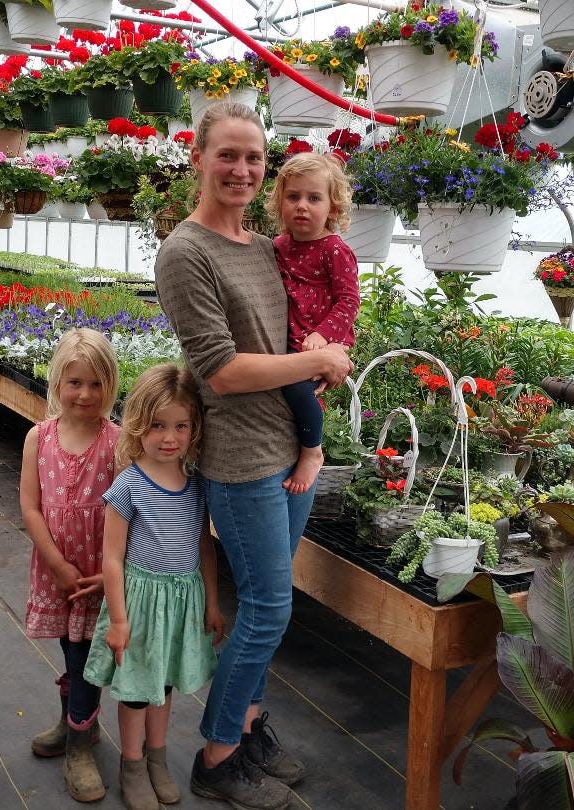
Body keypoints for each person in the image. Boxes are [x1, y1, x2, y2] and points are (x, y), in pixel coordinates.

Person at [153, 101, 354, 810]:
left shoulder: (268, 247)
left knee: (270, 602)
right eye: (228, 155)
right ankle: (216, 755)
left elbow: (311, 317)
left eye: (253, 157)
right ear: (199, 159)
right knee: (267, 607)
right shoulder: (186, 252)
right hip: (239, 457)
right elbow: (223, 372)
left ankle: (246, 722)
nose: (241, 169)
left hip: (288, 450)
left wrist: (326, 358)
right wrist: (315, 364)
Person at [75, 364, 224, 810]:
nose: (169, 437)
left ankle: (157, 759)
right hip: (140, 603)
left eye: (181, 426)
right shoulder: (129, 486)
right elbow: (112, 559)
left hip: (182, 600)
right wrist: (118, 620)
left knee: (165, 684)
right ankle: (133, 764)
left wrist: (212, 602)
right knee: (139, 689)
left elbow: (204, 547)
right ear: (139, 424)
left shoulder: (196, 486)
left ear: (194, 429)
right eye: (158, 425)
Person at [19, 328, 120, 803]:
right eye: (75, 382)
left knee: (89, 657)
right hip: (59, 570)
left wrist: (109, 571)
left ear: (112, 386)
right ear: (58, 382)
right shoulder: (38, 438)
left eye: (97, 384)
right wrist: (57, 565)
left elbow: (127, 513)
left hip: (101, 572)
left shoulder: (118, 442)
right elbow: (31, 507)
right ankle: (74, 722)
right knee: (70, 648)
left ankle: (80, 742)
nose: (85, 394)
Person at [267, 151, 360, 494]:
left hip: (326, 337)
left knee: (296, 388)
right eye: (293, 197)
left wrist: (324, 335)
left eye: (314, 198)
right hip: (293, 338)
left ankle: (312, 451)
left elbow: (349, 300)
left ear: (333, 208)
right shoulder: (277, 247)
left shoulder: (334, 250)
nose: (302, 206)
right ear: (280, 204)